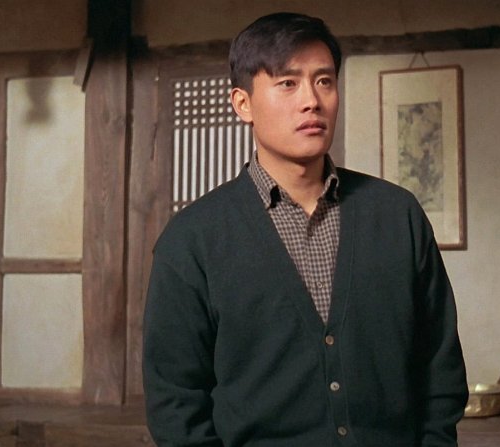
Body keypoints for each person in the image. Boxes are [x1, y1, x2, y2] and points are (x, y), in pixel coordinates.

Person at [143, 12, 468, 447]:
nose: (312, 100)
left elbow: (439, 365)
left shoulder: (397, 215)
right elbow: (174, 400)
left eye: (324, 81)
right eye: (287, 83)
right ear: (242, 103)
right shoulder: (191, 240)